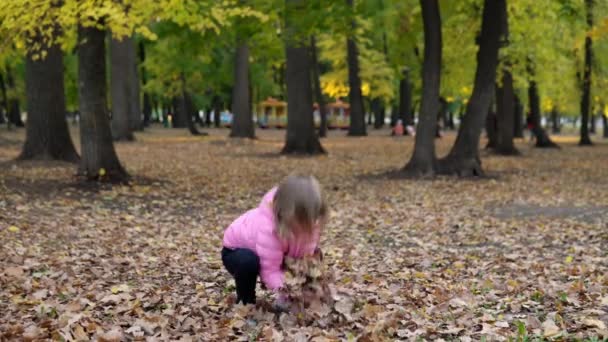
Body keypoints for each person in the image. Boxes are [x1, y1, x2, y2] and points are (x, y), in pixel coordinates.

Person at [221, 175, 327, 308]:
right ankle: (245, 303)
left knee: (312, 256)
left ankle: (288, 301)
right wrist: (288, 292)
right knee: (247, 262)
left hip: (276, 250)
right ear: (286, 213)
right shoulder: (270, 229)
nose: (308, 225)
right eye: (302, 220)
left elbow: (302, 260)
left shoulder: (312, 224)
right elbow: (270, 270)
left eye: (311, 219)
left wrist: (305, 286)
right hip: (234, 251)